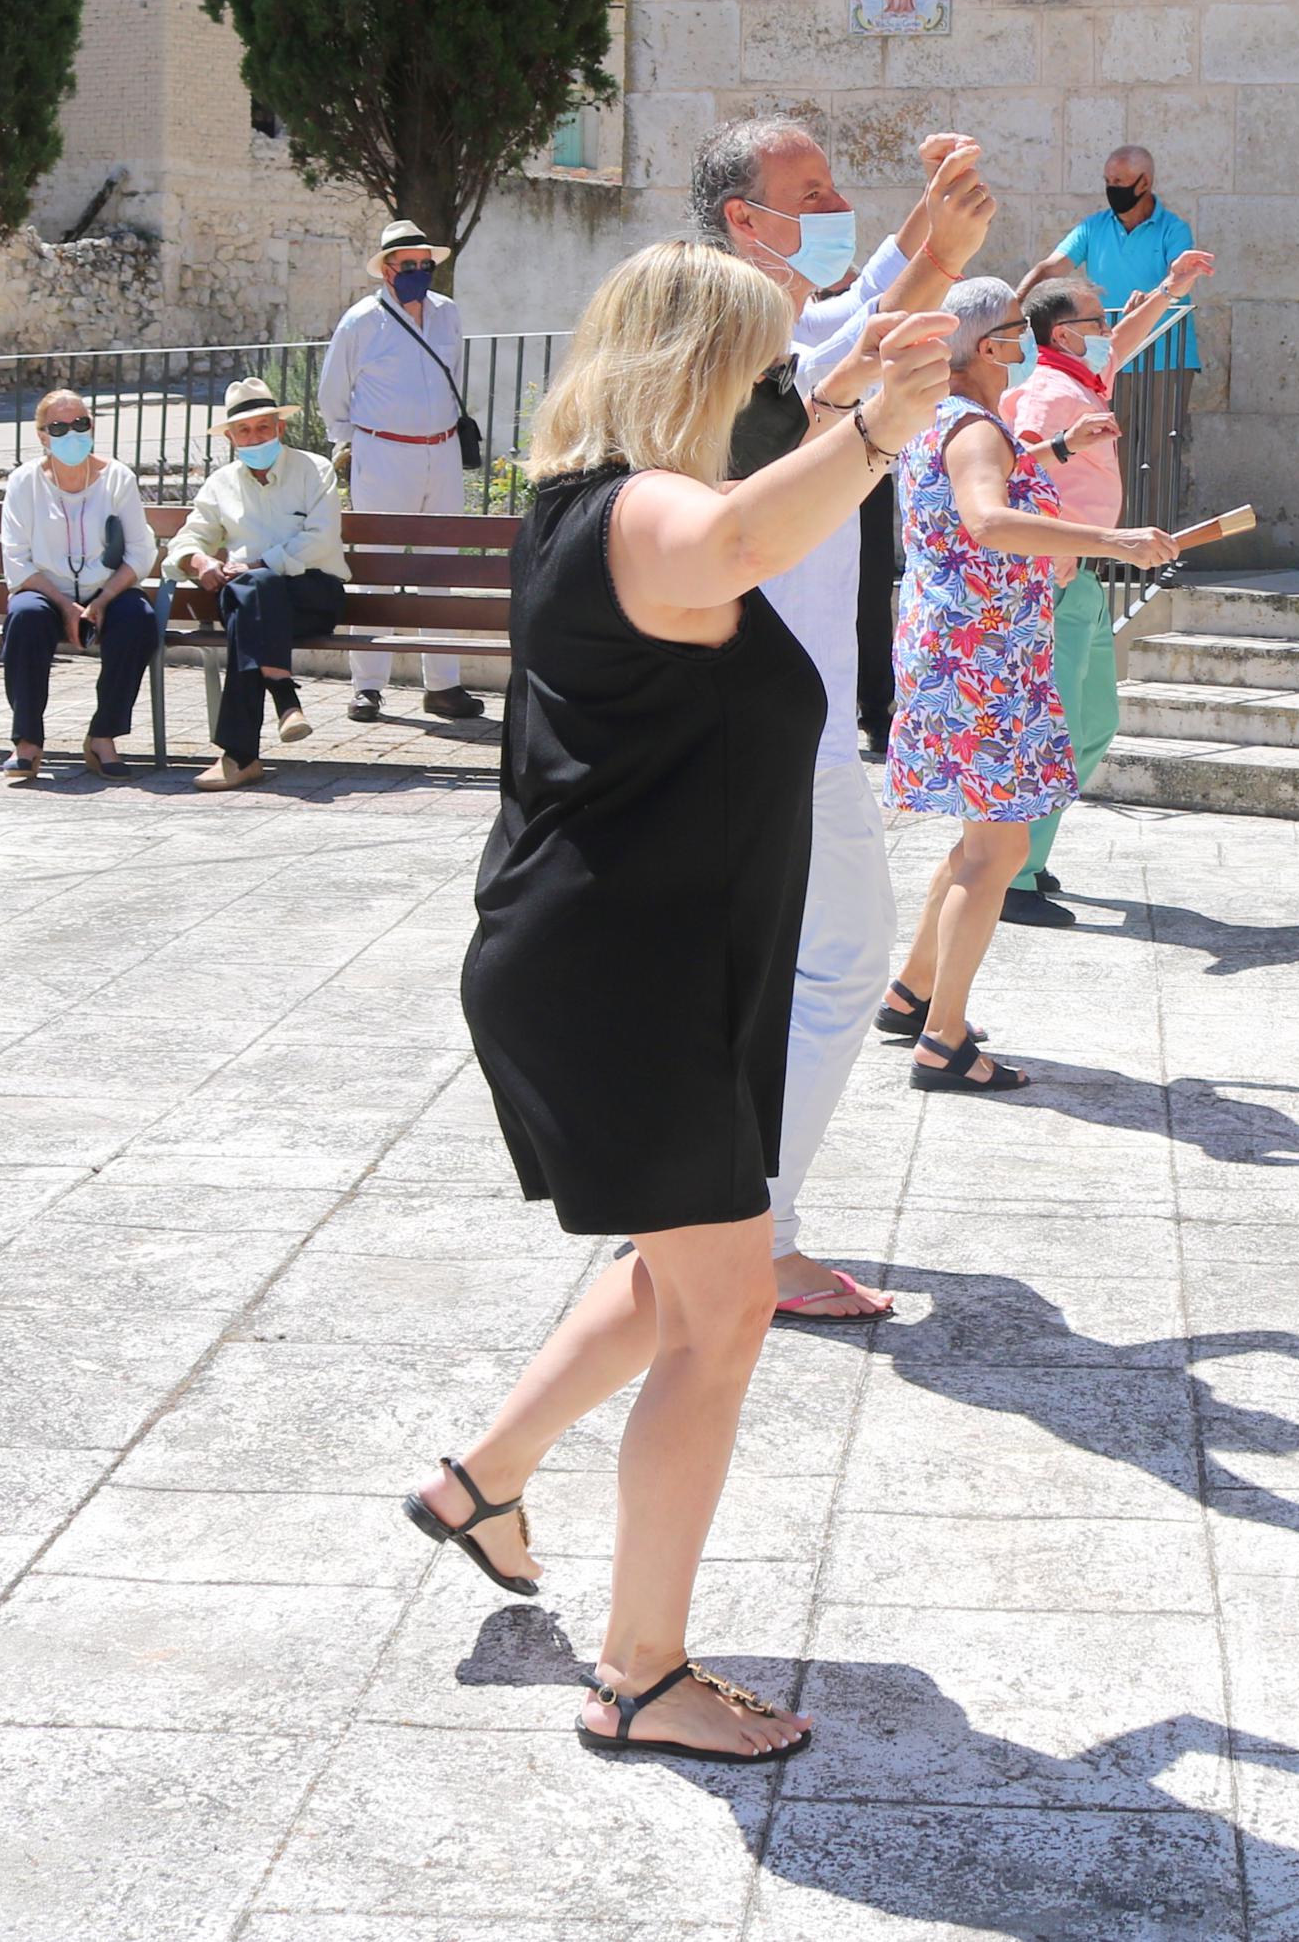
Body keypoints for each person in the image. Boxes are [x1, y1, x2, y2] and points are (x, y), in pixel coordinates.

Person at [408, 238, 952, 1765]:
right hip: (620, 978)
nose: (785, 391)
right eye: (766, 369)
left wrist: (862, 382)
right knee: (720, 1313)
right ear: (706, 368)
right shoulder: (655, 512)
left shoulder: (602, 496)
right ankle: (641, 1673)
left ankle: (483, 1477)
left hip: (644, 964)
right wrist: (877, 423)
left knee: (674, 1272)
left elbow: (772, 483)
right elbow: (733, 528)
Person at [697, 114, 998, 1321]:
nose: (833, 207)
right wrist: (935, 242)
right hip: (767, 712)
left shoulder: (788, 311)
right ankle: (751, 1232)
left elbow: (887, 291)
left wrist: (941, 209)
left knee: (761, 970)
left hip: (772, 707)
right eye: (809, 191)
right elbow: (849, 360)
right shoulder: (736, 330)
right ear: (744, 219)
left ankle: (705, 1214)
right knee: (839, 963)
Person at [885, 280, 1181, 1091]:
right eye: (1016, 330)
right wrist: (1108, 537)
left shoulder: (938, 417)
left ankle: (910, 994)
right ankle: (943, 1041)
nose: (1028, 341)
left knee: (979, 840)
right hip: (984, 657)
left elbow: (985, 483)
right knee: (999, 847)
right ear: (990, 347)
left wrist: (1058, 448)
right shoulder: (976, 428)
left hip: (957, 649)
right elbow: (986, 516)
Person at [999, 249, 1211, 923]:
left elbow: (1123, 337)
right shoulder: (1040, 393)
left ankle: (1026, 855)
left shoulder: (1081, 372)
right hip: (1054, 581)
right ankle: (1010, 874)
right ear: (1061, 333)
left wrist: (1172, 288)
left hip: (1085, 580)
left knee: (1093, 724)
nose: (1107, 326)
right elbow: (1010, 478)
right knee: (1052, 730)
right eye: (1095, 317)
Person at [323, 220, 483, 723]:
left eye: (424, 264)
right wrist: (358, 444)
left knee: (441, 570)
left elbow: (451, 375)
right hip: (384, 454)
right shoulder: (360, 321)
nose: (417, 272)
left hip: (441, 451)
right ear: (387, 271)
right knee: (378, 570)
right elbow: (333, 395)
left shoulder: (446, 314)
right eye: (407, 265)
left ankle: (443, 686)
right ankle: (367, 687)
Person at [165, 375, 346, 794]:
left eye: (264, 426)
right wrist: (202, 560)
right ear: (231, 438)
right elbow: (186, 540)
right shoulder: (220, 483)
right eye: (244, 429)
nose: (255, 435)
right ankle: (282, 696)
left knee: (254, 593)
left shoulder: (314, 470)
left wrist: (256, 564)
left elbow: (320, 540)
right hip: (252, 600)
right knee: (254, 593)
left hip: (311, 596)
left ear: (280, 428)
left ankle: (240, 755)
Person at [1022, 146, 1201, 528]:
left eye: (1119, 182)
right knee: (1107, 451)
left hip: (1162, 355)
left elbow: (1179, 276)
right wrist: (1017, 305)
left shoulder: (1172, 228)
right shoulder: (1094, 227)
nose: (1112, 188)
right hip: (1097, 361)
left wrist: (1157, 293)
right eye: (1107, 181)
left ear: (1145, 182)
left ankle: (1149, 550)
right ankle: (1110, 548)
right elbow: (1053, 267)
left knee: (1156, 453)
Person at [0, 388, 158, 784]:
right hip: (46, 592)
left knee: (138, 619)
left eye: (80, 423)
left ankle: (103, 736)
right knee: (26, 617)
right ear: (42, 435)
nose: (72, 433)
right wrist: (66, 607)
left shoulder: (117, 478)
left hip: (107, 590)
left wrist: (102, 600)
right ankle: (27, 742)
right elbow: (16, 560)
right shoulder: (23, 482)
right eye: (59, 426)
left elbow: (140, 551)